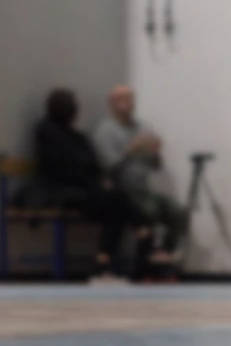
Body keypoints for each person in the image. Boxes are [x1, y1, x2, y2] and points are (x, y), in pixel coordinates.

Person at [26, 87, 143, 283]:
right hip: (60, 191)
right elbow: (64, 168)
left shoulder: (75, 135)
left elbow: (90, 163)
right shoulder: (47, 131)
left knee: (116, 204)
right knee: (117, 201)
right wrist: (91, 176)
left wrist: (93, 176)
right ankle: (141, 232)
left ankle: (104, 262)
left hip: (82, 189)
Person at [91, 84, 185, 281]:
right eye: (123, 98)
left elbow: (155, 165)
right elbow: (109, 166)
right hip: (121, 191)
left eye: (131, 97)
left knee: (176, 210)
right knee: (148, 210)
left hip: (143, 189)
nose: (129, 102)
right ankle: (143, 266)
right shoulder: (105, 131)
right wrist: (131, 150)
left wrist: (155, 153)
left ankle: (164, 254)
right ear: (112, 103)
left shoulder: (142, 127)